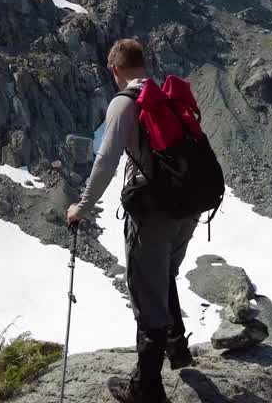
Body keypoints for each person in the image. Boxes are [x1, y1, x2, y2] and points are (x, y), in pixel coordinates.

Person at [67, 38, 198, 403]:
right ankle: (177, 348)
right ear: (144, 63)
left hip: (154, 213)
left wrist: (82, 206)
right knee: (163, 276)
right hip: (188, 207)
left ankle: (146, 388)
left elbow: (106, 160)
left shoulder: (125, 103)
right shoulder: (166, 97)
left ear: (115, 69)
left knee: (146, 291)